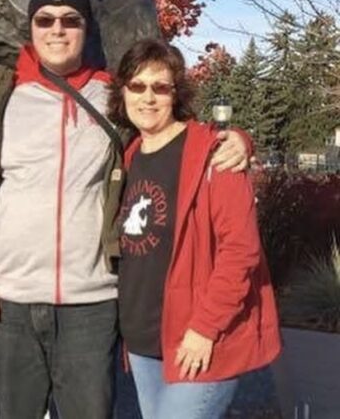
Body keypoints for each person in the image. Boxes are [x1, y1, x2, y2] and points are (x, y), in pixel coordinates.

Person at [0, 0, 251, 419]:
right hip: (10, 301)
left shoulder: (114, 98)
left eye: (71, 20)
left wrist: (236, 139)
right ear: (30, 28)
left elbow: (176, 131)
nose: (57, 29)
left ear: (86, 29)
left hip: (93, 304)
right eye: (45, 19)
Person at [106, 38, 281, 419]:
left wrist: (205, 329)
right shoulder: (130, 155)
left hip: (197, 337)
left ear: (176, 94)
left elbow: (241, 251)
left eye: (160, 87)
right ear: (123, 93)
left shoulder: (212, 154)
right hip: (143, 340)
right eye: (137, 86)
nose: (148, 97)